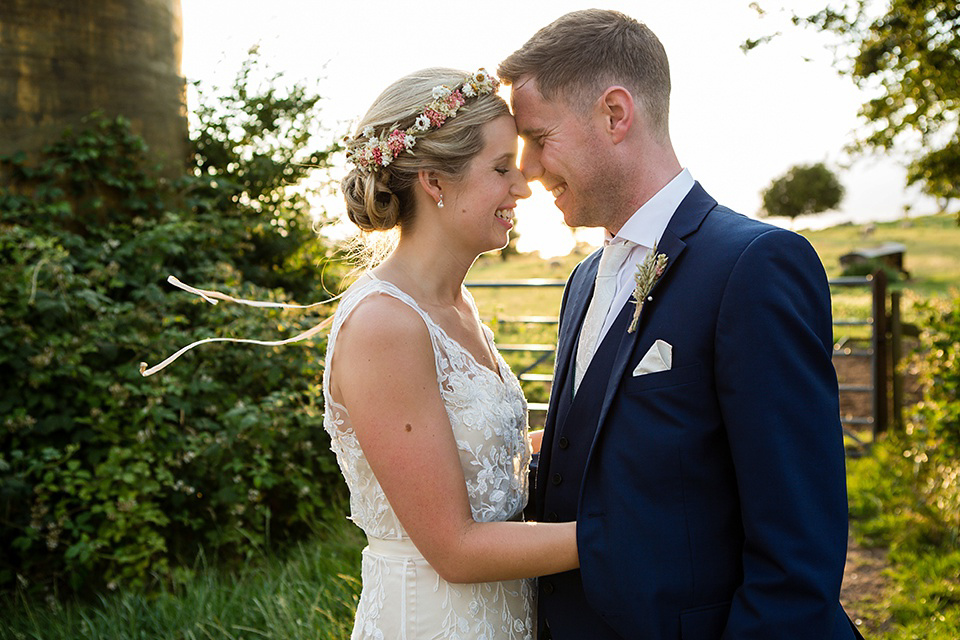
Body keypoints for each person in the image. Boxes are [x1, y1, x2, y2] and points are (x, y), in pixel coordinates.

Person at [498, 10, 864, 640]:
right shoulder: (583, 282)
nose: (526, 169)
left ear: (616, 114)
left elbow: (797, 547)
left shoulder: (755, 266)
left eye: (539, 136)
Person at [326, 67, 577, 639]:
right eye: (500, 168)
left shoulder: (456, 303)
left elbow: (484, 459)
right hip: (433, 621)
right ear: (435, 182)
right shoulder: (384, 325)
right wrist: (628, 534)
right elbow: (455, 548)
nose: (523, 186)